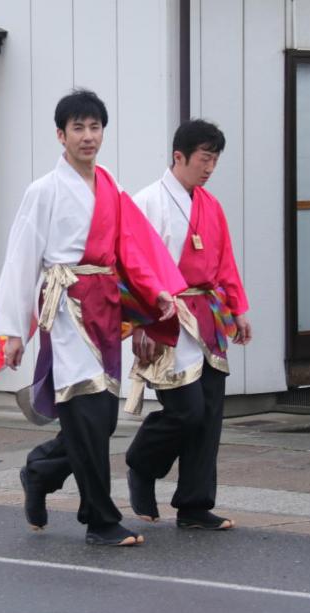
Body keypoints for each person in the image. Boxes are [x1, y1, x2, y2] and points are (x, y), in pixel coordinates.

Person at [0, 89, 187, 547]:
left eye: (94, 127)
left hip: (106, 309)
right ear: (60, 135)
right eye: (77, 128)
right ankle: (99, 519)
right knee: (88, 413)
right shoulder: (43, 191)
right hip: (66, 309)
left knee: (98, 419)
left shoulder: (111, 188)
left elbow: (132, 249)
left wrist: (156, 292)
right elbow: (21, 259)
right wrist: (13, 331)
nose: (87, 136)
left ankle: (40, 472)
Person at [124, 119, 250, 531]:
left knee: (210, 412)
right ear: (179, 156)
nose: (210, 167)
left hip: (208, 315)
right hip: (166, 317)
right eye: (204, 158)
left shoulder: (210, 205)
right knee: (186, 411)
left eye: (215, 159)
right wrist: (139, 321)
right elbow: (132, 267)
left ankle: (195, 505)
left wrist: (240, 309)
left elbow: (225, 262)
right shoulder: (148, 202)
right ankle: (141, 464)